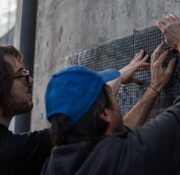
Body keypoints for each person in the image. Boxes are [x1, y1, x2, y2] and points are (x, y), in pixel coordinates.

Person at [41, 13, 180, 175]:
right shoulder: (126, 159)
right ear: (104, 114)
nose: (114, 93)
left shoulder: (52, 166)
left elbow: (120, 134)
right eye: (110, 93)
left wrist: (153, 89)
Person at [0, 41, 165, 174]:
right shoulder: (12, 153)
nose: (30, 80)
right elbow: (94, 128)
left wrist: (148, 88)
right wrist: (117, 78)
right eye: (21, 74)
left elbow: (108, 137)